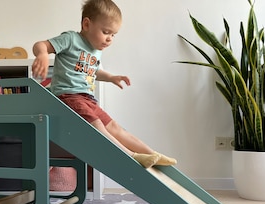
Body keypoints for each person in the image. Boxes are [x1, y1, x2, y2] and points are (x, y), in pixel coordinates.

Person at [32, 0, 177, 168]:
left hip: (87, 99)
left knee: (114, 126)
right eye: (106, 32)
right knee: (98, 125)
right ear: (87, 24)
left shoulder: (96, 51)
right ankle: (131, 155)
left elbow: (93, 72)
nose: (109, 39)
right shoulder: (71, 39)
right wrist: (42, 54)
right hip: (68, 97)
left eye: (113, 35)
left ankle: (152, 154)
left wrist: (111, 77)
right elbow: (40, 45)